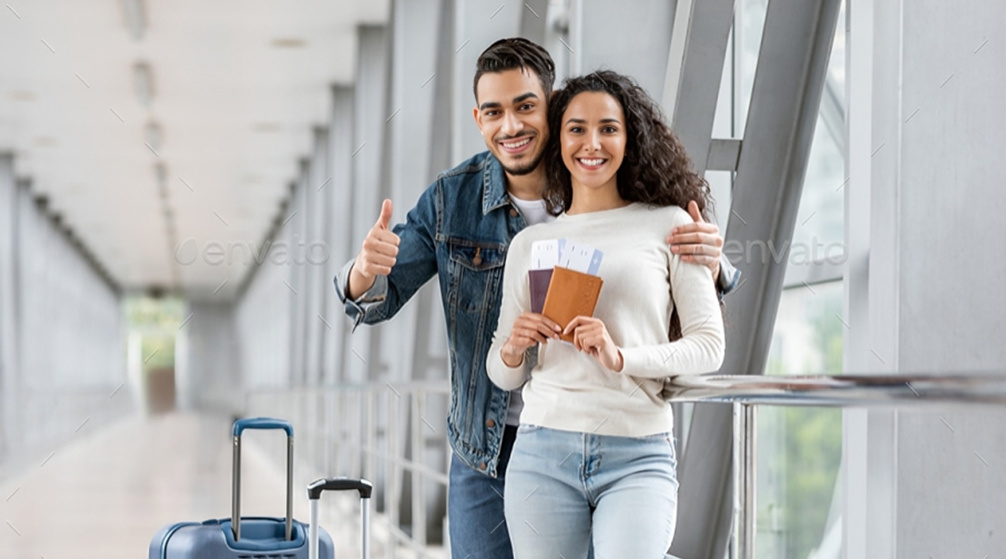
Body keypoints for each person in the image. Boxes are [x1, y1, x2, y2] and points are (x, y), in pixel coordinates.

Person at [335, 39, 737, 559]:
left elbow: (666, 260)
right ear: (478, 119)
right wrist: (362, 272)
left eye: (526, 106)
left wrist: (716, 262)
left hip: (611, 429)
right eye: (495, 112)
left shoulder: (607, 177)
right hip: (490, 445)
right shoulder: (451, 200)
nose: (512, 126)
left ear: (551, 105)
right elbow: (378, 296)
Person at [487, 70, 726, 558]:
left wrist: (623, 358)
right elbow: (503, 375)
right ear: (559, 139)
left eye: (608, 128)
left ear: (629, 137)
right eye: (576, 128)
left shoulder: (672, 226)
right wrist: (513, 349)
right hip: (541, 453)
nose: (591, 143)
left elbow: (709, 346)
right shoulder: (530, 244)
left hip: (637, 451)